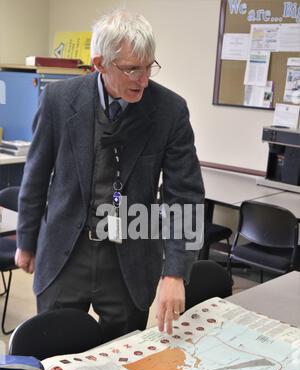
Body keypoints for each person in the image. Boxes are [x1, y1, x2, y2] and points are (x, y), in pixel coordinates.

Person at [15, 9, 205, 343]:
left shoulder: (169, 111)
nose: (143, 80)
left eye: (149, 67)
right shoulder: (59, 100)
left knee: (122, 358)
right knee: (55, 351)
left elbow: (185, 195)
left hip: (129, 259)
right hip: (64, 253)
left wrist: (175, 271)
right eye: (132, 69)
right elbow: (36, 174)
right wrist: (26, 241)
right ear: (100, 64)